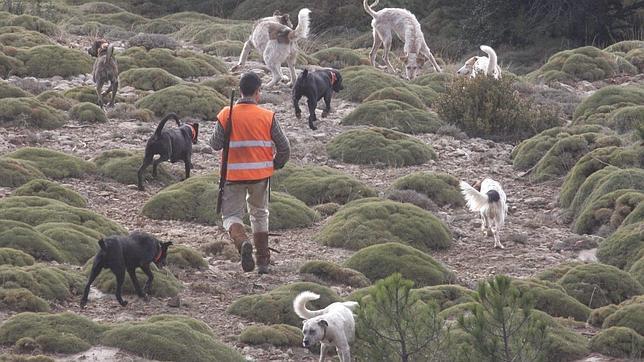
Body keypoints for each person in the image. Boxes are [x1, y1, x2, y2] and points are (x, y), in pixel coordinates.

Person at [210, 72, 290, 274]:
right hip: (260, 176)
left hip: (232, 176)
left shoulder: (226, 114)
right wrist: (275, 164)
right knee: (260, 214)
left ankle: (242, 242)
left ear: (240, 91)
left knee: (230, 216)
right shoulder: (267, 116)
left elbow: (215, 144)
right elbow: (284, 147)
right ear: (257, 92)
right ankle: (263, 261)